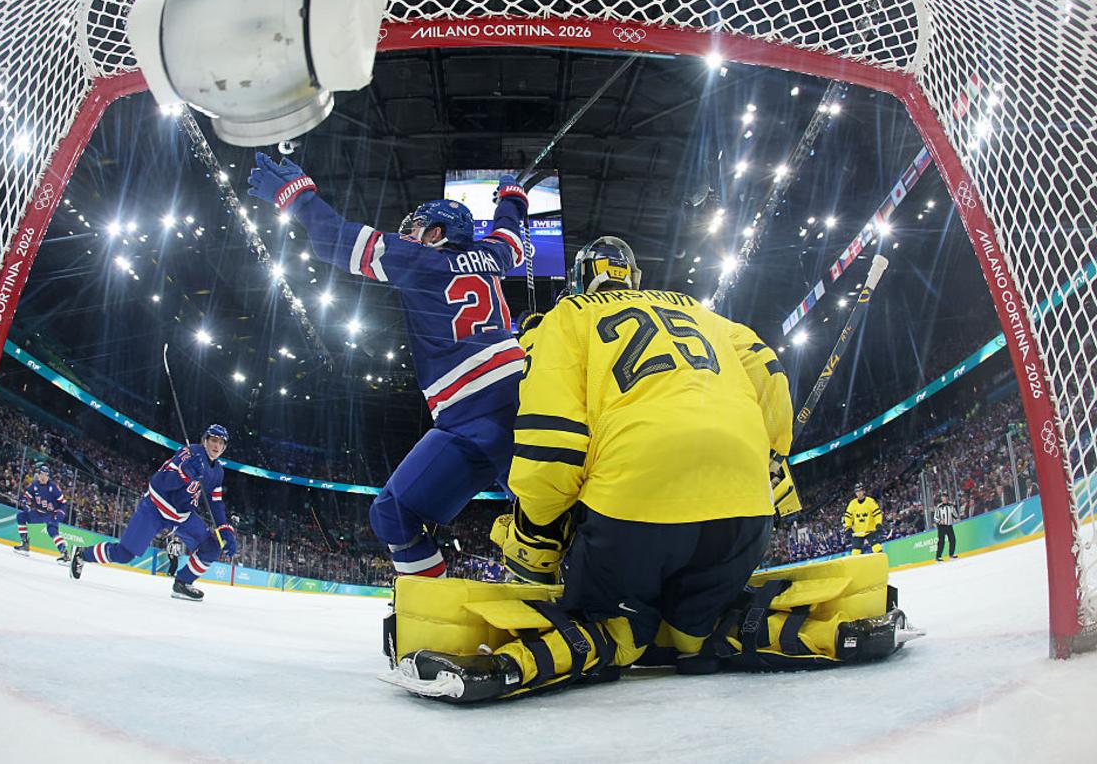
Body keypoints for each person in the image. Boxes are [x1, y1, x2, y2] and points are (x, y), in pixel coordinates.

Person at [392, 237, 815, 700]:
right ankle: (716, 628)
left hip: (636, 508)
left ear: (579, 279)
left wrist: (536, 538)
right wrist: (772, 458)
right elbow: (769, 371)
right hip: (744, 512)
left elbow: (551, 444)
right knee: (696, 628)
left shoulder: (565, 319)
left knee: (612, 625)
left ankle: (546, 654)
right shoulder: (704, 313)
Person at [248, 156, 528, 578]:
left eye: (417, 227)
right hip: (513, 399)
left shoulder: (420, 260)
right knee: (547, 519)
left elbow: (336, 240)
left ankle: (433, 612)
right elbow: (511, 237)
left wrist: (299, 197)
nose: (408, 234)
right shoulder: (493, 256)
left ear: (436, 235)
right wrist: (512, 197)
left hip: (474, 407)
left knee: (396, 517)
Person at [69, 425, 237, 602]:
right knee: (124, 554)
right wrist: (183, 474)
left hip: (182, 517)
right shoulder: (188, 453)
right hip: (156, 508)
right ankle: (83, 554)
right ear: (205, 440)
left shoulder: (218, 471)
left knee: (213, 546)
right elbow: (160, 482)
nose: (216, 446)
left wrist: (225, 529)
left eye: (221, 443)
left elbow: (216, 503)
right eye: (213, 440)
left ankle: (183, 583)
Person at [12, 463, 69, 563]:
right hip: (38, 513)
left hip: (51, 515)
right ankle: (25, 544)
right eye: (41, 474)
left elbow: (63, 503)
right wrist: (25, 502)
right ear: (38, 475)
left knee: (52, 531)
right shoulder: (34, 485)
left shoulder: (53, 487)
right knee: (21, 516)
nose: (43, 477)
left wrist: (60, 514)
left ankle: (65, 554)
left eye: (45, 475)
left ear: (48, 477)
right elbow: (26, 497)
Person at [843, 482, 884, 554]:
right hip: (858, 532)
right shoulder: (852, 504)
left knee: (877, 548)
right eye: (857, 491)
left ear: (863, 491)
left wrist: (878, 523)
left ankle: (881, 563)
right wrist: (847, 527)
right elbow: (848, 517)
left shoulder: (870, 501)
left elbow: (877, 514)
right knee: (855, 552)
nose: (859, 493)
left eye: (860, 491)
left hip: (870, 530)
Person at [933, 491, 960, 561]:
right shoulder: (939, 506)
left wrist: (957, 518)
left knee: (952, 539)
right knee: (941, 541)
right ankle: (938, 556)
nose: (944, 499)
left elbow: (955, 514)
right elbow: (935, 517)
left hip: (949, 525)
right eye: (943, 498)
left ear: (947, 498)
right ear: (941, 499)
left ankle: (951, 555)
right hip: (941, 526)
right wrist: (940, 521)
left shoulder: (951, 506)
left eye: (945, 498)